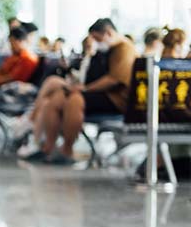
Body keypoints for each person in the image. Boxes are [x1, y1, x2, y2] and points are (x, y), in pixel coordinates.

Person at [26, 18, 136, 164]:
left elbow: (114, 79)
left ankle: (67, 149)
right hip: (101, 94)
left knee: (75, 99)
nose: (95, 42)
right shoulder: (107, 50)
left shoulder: (124, 49)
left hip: (117, 100)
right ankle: (49, 147)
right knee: (56, 98)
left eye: (97, 39)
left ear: (109, 33)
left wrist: (85, 89)